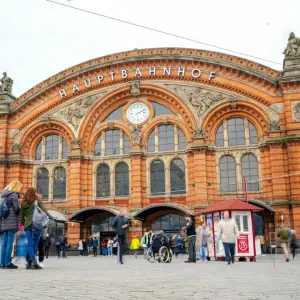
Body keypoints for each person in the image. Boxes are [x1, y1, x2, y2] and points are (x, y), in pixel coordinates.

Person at [19, 187, 47, 270]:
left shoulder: (23, 202)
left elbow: (21, 218)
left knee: (29, 243)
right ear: (34, 193)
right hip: (37, 225)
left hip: (28, 225)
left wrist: (26, 224)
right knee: (35, 244)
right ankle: (34, 261)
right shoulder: (37, 200)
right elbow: (44, 211)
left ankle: (30, 262)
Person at [0, 180, 22, 269]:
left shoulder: (4, 195)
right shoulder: (14, 195)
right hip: (12, 221)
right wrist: (20, 210)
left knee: (4, 243)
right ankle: (8, 262)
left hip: (5, 221)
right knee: (9, 243)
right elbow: (16, 209)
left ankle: (2, 263)